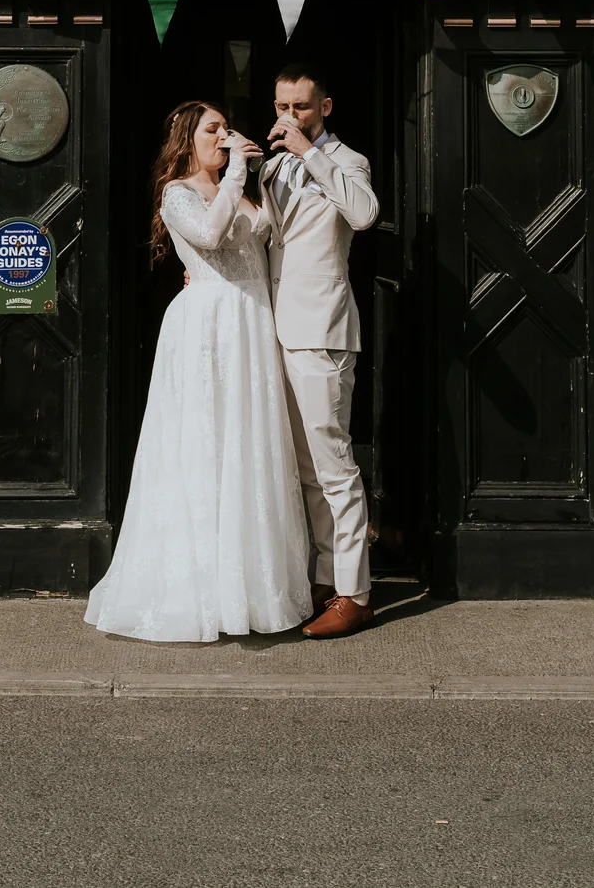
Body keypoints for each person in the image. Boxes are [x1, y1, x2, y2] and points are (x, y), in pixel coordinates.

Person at [85, 101, 311, 642]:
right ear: (187, 139)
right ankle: (200, 588)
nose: (225, 136)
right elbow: (209, 238)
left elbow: (265, 239)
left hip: (254, 319)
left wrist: (257, 178)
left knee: (251, 444)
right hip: (210, 321)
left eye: (227, 128)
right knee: (207, 444)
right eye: (213, 129)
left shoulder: (240, 186)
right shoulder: (177, 193)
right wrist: (236, 171)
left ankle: (257, 588)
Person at [261, 65, 382, 639]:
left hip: (322, 330)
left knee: (335, 467)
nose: (288, 118)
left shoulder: (345, 161)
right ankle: (324, 579)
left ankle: (356, 594)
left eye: (300, 108)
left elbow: (363, 214)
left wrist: (310, 151)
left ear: (325, 106)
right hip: (275, 328)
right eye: (282, 107)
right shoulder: (273, 165)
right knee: (306, 471)